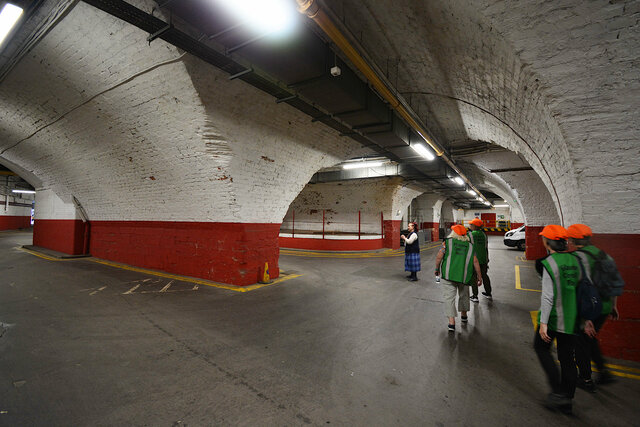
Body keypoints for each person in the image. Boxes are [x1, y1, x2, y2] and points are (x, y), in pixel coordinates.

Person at [533, 225, 580, 414]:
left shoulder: (549, 263)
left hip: (554, 318)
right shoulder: (575, 260)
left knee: (541, 347)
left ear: (549, 242)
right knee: (568, 358)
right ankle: (567, 398)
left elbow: (548, 296)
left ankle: (558, 393)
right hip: (573, 317)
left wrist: (543, 323)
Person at [568, 223, 618, 392]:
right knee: (590, 339)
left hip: (588, 309)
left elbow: (579, 288)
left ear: (574, 240)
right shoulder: (605, 255)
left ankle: (585, 379)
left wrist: (585, 318)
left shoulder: (576, 258)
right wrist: (613, 305)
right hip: (604, 307)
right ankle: (603, 372)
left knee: (580, 343)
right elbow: (613, 282)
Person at [434, 224, 483, 331]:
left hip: (448, 275)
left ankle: (451, 323)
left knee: (449, 298)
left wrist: (436, 269)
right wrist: (479, 276)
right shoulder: (470, 246)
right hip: (464, 277)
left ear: (453, 233)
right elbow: (475, 261)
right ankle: (464, 316)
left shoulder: (447, 243)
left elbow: (439, 257)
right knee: (464, 295)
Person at [468, 218, 492, 302]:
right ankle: (488, 293)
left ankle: (475, 296)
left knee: (474, 277)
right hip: (483, 259)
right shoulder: (484, 234)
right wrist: (487, 258)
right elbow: (486, 247)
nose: (469, 225)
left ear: (474, 226)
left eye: (471, 224)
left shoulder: (471, 234)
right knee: (484, 275)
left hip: (475, 260)